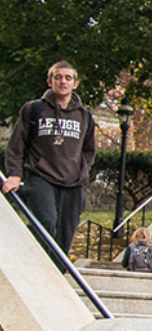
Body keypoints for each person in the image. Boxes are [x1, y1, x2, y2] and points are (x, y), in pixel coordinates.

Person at [2, 62, 97, 255]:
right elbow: (16, 146)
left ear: (75, 84)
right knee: (45, 223)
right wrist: (14, 175)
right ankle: (23, 257)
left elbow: (89, 150)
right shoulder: (34, 109)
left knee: (64, 237)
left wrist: (82, 171)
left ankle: (55, 274)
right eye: (58, 77)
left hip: (72, 184)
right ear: (49, 81)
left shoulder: (85, 116)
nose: (63, 81)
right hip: (40, 177)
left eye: (68, 78)